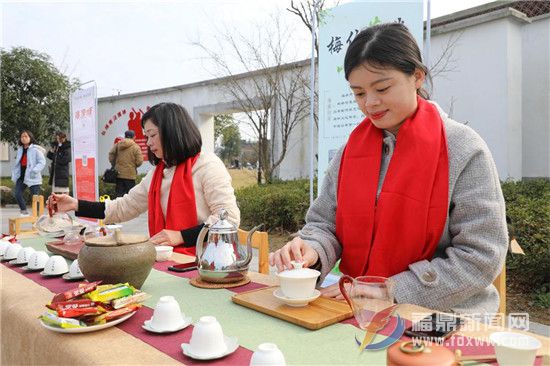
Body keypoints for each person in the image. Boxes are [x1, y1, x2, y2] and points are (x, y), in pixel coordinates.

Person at [269, 23, 508, 314]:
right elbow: (324, 224)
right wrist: (312, 250)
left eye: (382, 88)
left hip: (442, 315)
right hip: (355, 304)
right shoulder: (350, 152)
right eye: (358, 93)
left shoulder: (462, 148)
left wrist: (390, 291)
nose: (370, 103)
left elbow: (481, 255)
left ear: (417, 77)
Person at [49, 102, 240, 255]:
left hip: (209, 261)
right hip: (170, 259)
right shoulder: (158, 174)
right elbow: (123, 207)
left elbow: (229, 219)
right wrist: (76, 205)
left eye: (152, 135)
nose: (148, 142)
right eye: (146, 136)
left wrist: (180, 236)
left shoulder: (207, 166)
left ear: (172, 133)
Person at [11, 130, 46, 216]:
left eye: (26, 136)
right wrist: (15, 174)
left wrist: (35, 170)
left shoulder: (35, 149)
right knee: (17, 194)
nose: (23, 138)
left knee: (35, 198)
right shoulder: (20, 149)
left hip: (32, 176)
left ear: (30, 138)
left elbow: (42, 162)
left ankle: (38, 216)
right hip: (21, 176)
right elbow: (18, 163)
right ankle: (24, 211)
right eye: (22, 136)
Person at [109, 129, 144, 197]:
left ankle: (118, 208)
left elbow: (111, 154)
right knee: (131, 196)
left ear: (125, 136)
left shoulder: (118, 145)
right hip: (130, 175)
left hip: (118, 174)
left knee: (119, 196)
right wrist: (134, 166)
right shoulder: (136, 147)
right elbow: (139, 161)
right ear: (134, 137)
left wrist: (114, 164)